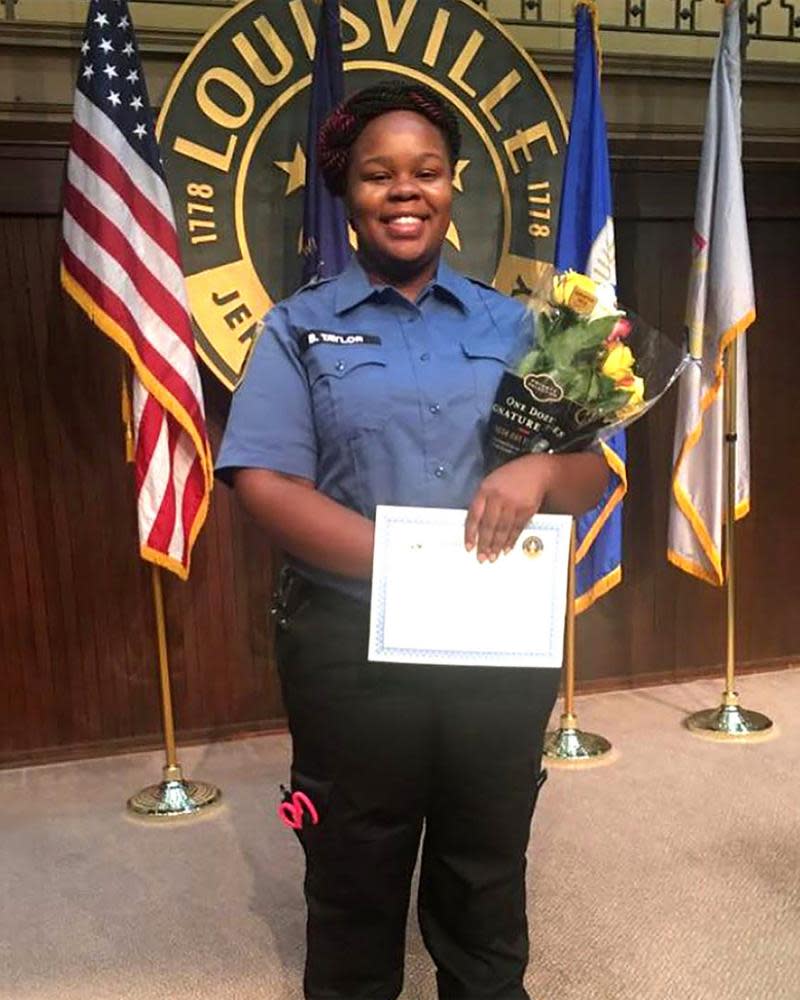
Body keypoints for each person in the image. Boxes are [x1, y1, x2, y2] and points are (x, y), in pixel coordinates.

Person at [217, 81, 608, 1000]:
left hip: (495, 641)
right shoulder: (298, 328)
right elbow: (265, 482)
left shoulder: (523, 328)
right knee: (355, 858)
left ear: (453, 186)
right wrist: (409, 571)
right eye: (378, 174)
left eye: (426, 172)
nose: (405, 190)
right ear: (346, 194)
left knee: (485, 852)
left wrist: (542, 473)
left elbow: (593, 470)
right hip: (351, 643)